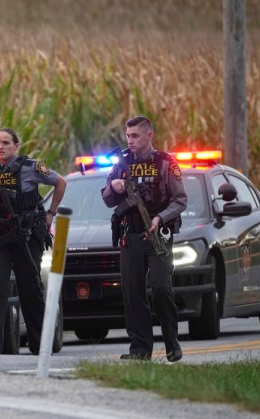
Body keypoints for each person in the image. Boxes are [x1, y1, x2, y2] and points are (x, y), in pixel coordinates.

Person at [0, 128, 67, 355]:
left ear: (16, 145)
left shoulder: (31, 167)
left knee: (30, 288)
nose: (1, 147)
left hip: (27, 236)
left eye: (6, 143)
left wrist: (50, 213)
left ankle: (40, 343)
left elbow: (60, 182)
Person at [101, 115, 187, 362]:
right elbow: (107, 200)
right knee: (132, 293)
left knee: (160, 287)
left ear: (149, 135)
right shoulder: (121, 163)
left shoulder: (166, 162)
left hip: (158, 234)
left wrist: (159, 218)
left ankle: (171, 342)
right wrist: (114, 185)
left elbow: (180, 200)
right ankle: (139, 350)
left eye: (135, 135)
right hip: (131, 236)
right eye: (127, 136)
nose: (130, 140)